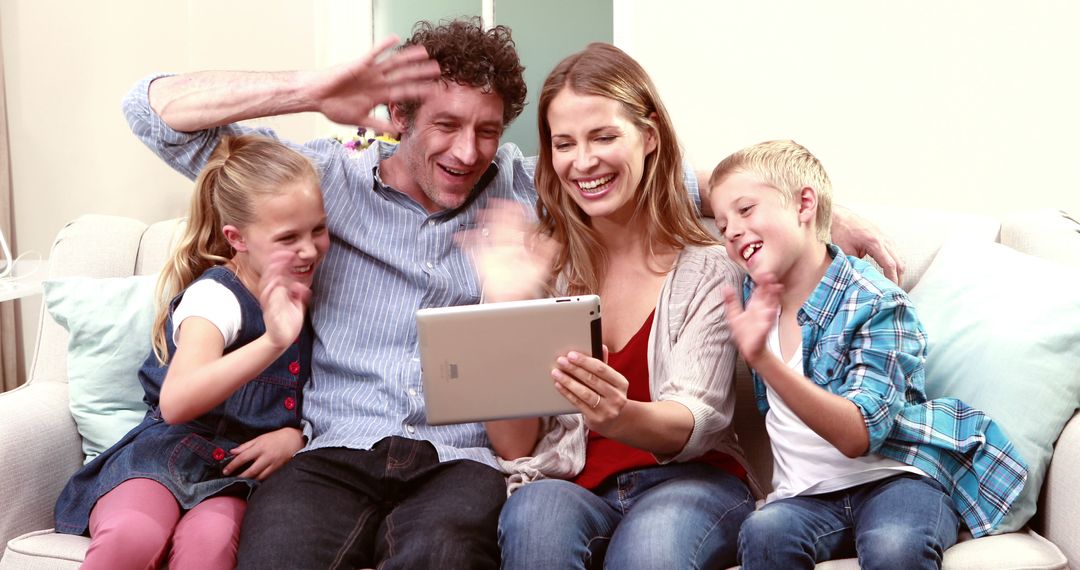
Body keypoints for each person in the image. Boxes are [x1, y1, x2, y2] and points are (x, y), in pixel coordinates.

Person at [123, 17, 903, 568]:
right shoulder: (321, 183)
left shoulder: (534, 188)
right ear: (397, 118)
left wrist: (831, 215)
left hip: (466, 460)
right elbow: (151, 114)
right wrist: (309, 87)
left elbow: (647, 171)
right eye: (446, 125)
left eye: (489, 129)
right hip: (336, 447)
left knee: (447, 553)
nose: (468, 152)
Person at [471, 42, 757, 570]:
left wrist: (620, 415)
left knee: (649, 551)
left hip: (692, 482)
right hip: (571, 483)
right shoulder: (539, 267)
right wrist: (507, 311)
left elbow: (697, 422)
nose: (584, 162)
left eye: (604, 136)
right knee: (533, 518)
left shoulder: (708, 267)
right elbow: (515, 448)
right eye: (564, 143)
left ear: (648, 137)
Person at [709, 139, 1028, 569]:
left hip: (894, 480)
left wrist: (764, 362)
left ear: (805, 204)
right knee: (762, 533)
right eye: (723, 222)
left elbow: (857, 434)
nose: (730, 230)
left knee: (896, 545)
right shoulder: (750, 295)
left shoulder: (877, 302)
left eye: (745, 210)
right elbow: (665, 181)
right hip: (806, 496)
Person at [53, 134, 328, 569]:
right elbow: (178, 401)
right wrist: (272, 340)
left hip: (235, 478)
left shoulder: (313, 295)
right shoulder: (216, 299)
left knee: (211, 544)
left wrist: (297, 437)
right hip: (165, 458)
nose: (310, 249)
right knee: (134, 534)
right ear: (237, 238)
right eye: (288, 237)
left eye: (318, 228)